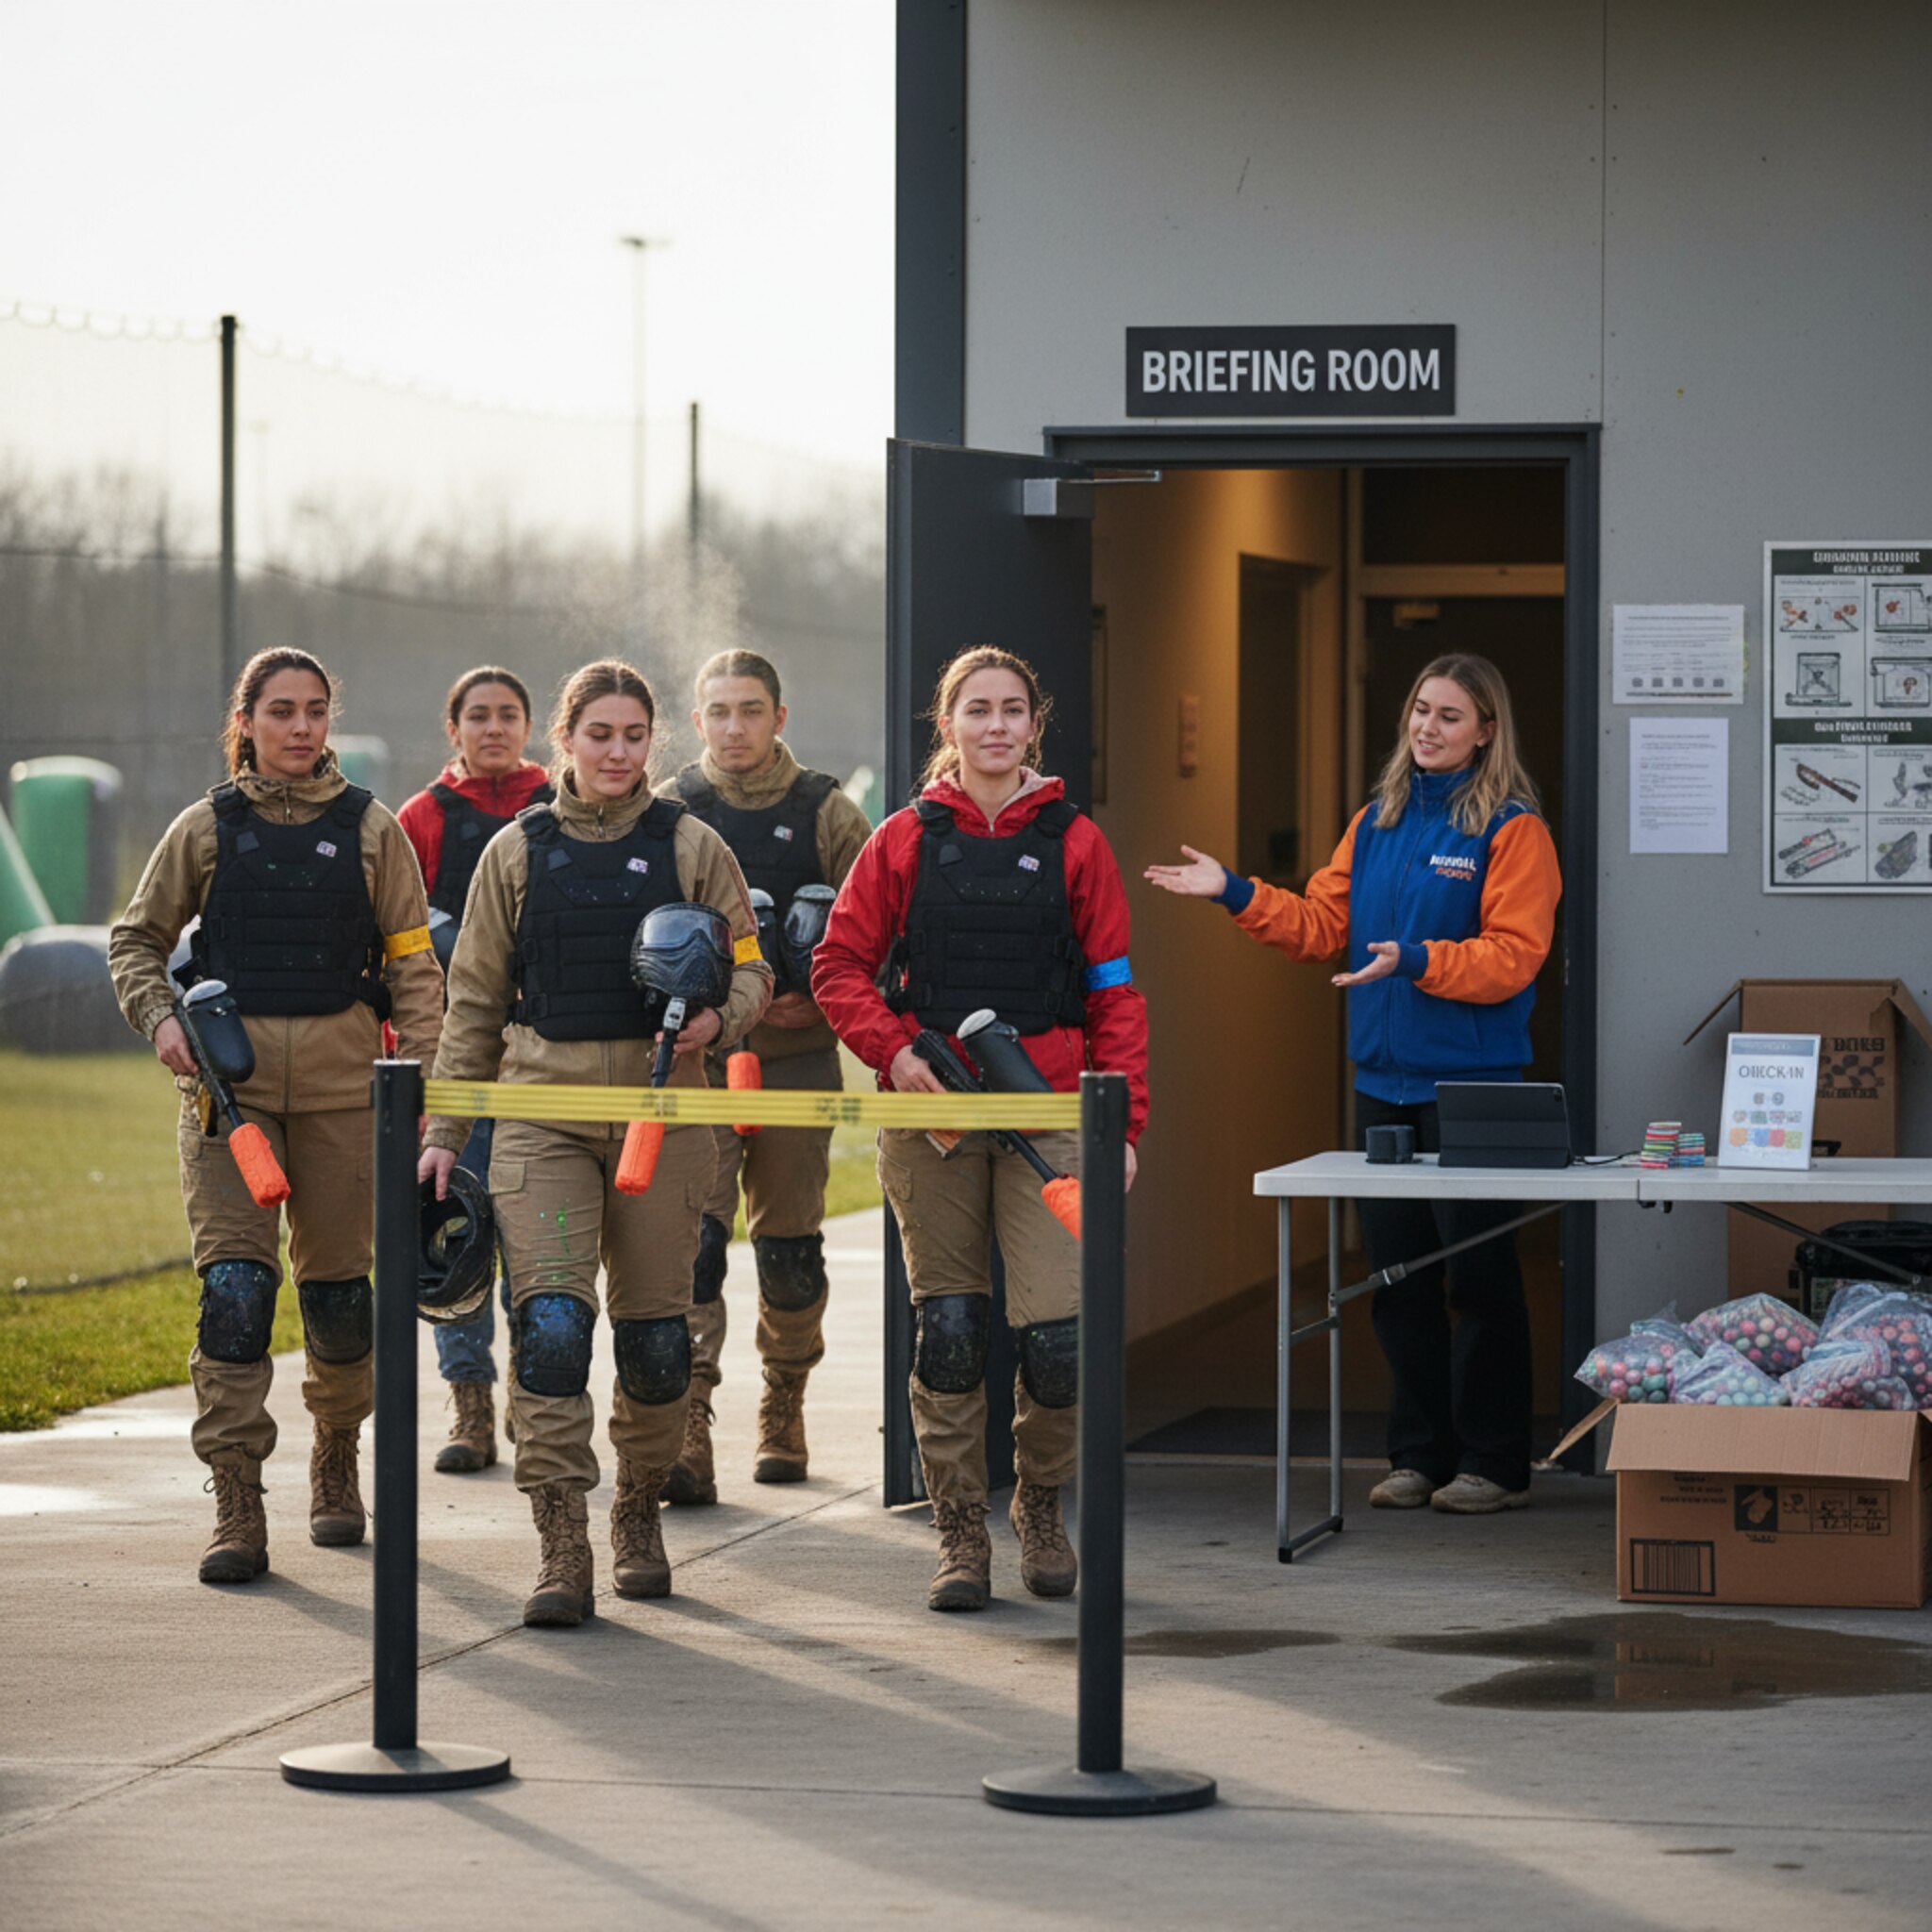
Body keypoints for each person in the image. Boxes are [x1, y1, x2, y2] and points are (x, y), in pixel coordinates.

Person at [1146, 651, 1561, 1515]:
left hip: (1474, 1087)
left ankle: (1493, 1462)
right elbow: (1320, 924)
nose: (1427, 728)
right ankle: (1418, 1454)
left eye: (1449, 716)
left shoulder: (1512, 830)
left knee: (1479, 1279)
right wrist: (1234, 891)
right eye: (1419, 710)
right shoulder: (1377, 821)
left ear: (1487, 731)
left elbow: (1513, 959)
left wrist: (1415, 959)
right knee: (1397, 1275)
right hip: (1385, 1087)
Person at [418, 659, 770, 1628]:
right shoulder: (514, 850)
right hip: (542, 1117)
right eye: (598, 733)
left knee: (657, 1342)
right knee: (553, 1329)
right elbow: (472, 1003)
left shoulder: (693, 844)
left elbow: (752, 968)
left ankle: (639, 1512)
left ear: (651, 741)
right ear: (564, 740)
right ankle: (562, 1539)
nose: (616, 752)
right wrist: (446, 1130)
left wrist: (719, 1021)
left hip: (665, 1118)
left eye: (632, 734)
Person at [814, 645, 1148, 1612]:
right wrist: (894, 1051)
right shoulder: (903, 838)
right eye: (976, 710)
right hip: (935, 1119)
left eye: (1011, 710)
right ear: (947, 726)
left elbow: (1115, 994)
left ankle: (1039, 1502)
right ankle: (959, 1525)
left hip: (1048, 1117)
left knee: (1055, 1339)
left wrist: (1119, 1120)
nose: (995, 726)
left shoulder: (1076, 840)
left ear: (1032, 724)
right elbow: (839, 963)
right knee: (950, 1329)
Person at [108, 647, 444, 1584]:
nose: (300, 727)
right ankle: (237, 1497)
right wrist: (159, 1016)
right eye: (281, 710)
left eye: (315, 710)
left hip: (347, 1102)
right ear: (246, 721)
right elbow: (135, 939)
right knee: (236, 1295)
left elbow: (416, 971)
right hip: (229, 1102)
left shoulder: (373, 830)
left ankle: (336, 1448)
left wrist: (420, 1087)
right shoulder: (204, 829)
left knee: (338, 1304)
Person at [666, 649, 873, 1503]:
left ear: (778, 717)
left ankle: (783, 1401)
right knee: (694, 1250)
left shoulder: (827, 811)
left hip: (797, 1059)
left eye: (750, 710)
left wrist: (818, 1005)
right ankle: (689, 1422)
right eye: (717, 711)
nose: (734, 727)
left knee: (789, 1256)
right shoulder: (672, 810)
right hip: (699, 1066)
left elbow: (878, 936)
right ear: (697, 720)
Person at [395, 665, 553, 1474]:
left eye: (509, 715)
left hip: (542, 1068)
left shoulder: (557, 809)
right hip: (455, 1069)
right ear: (451, 729)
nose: (494, 729)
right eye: (478, 716)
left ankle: (536, 1404)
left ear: (531, 726)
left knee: (535, 1247)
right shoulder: (419, 819)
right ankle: (469, 1407)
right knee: (454, 1237)